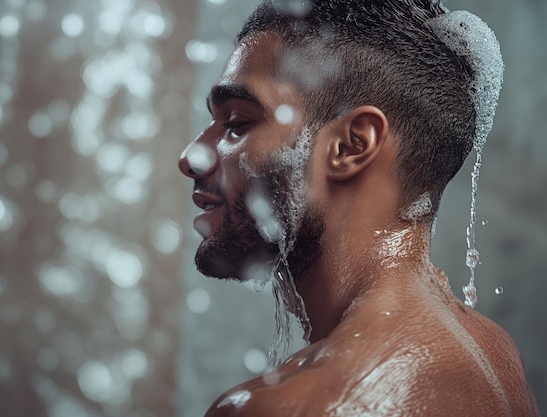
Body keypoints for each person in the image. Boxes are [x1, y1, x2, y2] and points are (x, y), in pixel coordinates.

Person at [178, 0, 540, 415]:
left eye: (238, 124)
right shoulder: (493, 350)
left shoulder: (287, 407)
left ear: (352, 146)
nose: (191, 157)